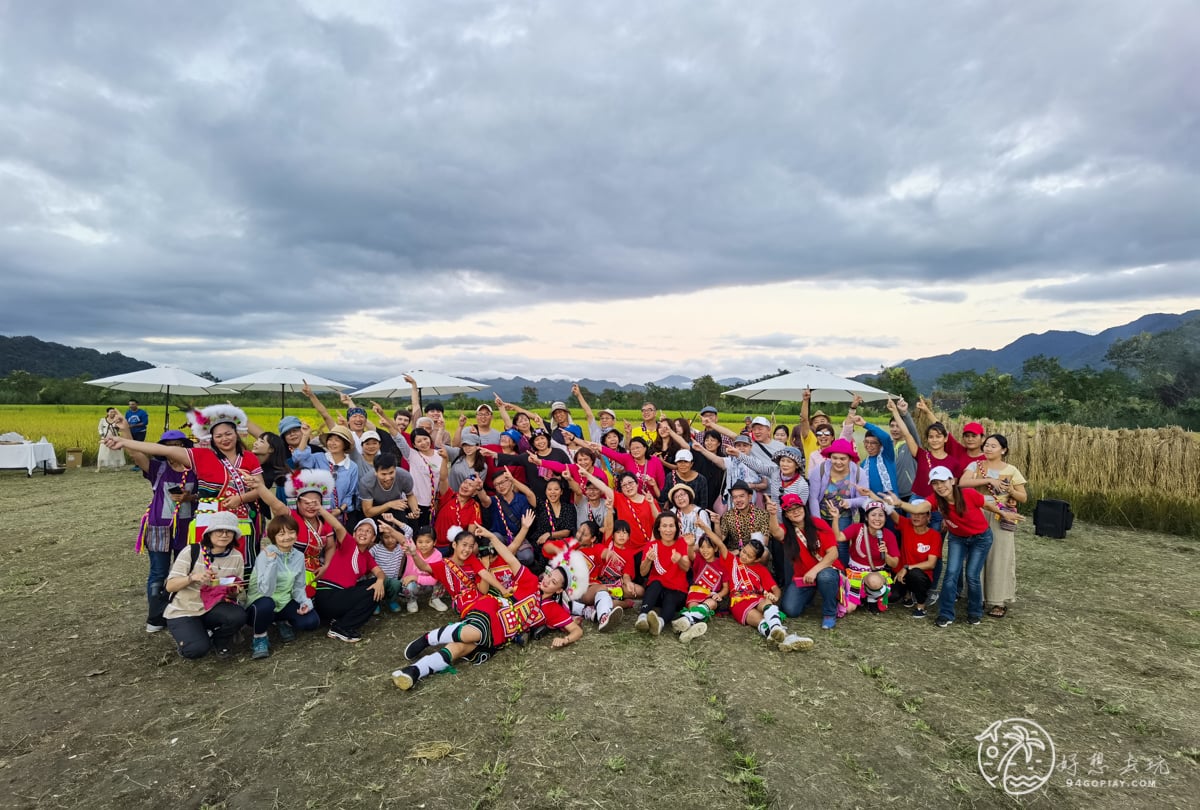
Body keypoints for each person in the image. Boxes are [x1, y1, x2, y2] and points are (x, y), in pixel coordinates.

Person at [391, 530, 585, 691]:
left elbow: (577, 631)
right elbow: (510, 557)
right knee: (473, 632)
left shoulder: (554, 610)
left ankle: (414, 671)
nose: (547, 580)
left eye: (554, 582)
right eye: (549, 575)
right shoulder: (531, 581)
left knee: (458, 648)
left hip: (502, 635)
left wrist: (565, 639)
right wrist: (491, 538)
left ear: (560, 589)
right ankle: (428, 639)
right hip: (491, 610)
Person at [103, 404, 264, 575]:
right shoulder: (201, 456)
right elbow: (164, 449)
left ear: (236, 434)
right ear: (212, 438)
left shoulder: (249, 458)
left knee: (240, 562)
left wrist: (240, 499)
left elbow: (260, 489)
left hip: (240, 518)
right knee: (207, 564)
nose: (224, 439)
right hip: (208, 519)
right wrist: (124, 440)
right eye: (218, 436)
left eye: (228, 434)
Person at [124, 426, 198, 634]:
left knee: (188, 571)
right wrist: (125, 430)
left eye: (178, 446)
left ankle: (184, 612)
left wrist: (189, 497)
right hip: (159, 527)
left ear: (185, 447)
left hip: (188, 528)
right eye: (169, 446)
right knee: (158, 572)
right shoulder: (157, 468)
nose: (173, 450)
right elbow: (135, 453)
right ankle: (156, 617)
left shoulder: (195, 470)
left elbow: (206, 494)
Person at [928, 466, 1008, 628]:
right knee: (951, 573)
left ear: (952, 481)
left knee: (972, 575)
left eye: (943, 481)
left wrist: (1005, 514)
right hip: (957, 538)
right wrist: (900, 503)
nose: (940, 486)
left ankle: (975, 612)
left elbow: (986, 505)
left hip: (981, 538)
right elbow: (920, 506)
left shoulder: (968, 494)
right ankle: (945, 613)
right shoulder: (937, 499)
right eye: (935, 483)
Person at [162, 512, 247, 659]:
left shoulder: (236, 556)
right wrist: (193, 578)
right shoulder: (192, 551)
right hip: (185, 609)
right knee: (196, 650)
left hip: (213, 607)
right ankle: (191, 638)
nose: (224, 535)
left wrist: (234, 590)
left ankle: (219, 640)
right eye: (219, 530)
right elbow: (170, 586)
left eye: (229, 532)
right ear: (210, 533)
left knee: (238, 615)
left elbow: (234, 592)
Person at [960, 434, 1028, 618]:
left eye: (993, 446)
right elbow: (962, 483)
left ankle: (998, 600)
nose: (988, 448)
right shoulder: (976, 466)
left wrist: (1011, 490)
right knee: (976, 554)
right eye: (987, 445)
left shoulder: (1012, 470)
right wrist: (988, 480)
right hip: (978, 513)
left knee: (1000, 556)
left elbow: (1023, 497)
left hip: (1001, 515)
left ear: (1003, 450)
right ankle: (977, 598)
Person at [246, 514, 320, 659]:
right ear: (274, 536)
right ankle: (259, 637)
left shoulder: (298, 556)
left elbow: (298, 586)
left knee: (311, 621)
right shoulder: (265, 555)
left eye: (291, 532)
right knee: (267, 603)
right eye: (281, 534)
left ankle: (280, 620)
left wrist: (305, 602)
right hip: (260, 603)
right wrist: (272, 562)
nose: (287, 537)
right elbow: (266, 591)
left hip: (283, 601)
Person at [726, 535, 813, 651]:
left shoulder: (761, 569)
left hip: (757, 598)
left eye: (749, 556)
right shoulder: (732, 561)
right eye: (744, 551)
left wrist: (775, 597)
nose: (744, 556)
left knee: (766, 602)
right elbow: (719, 543)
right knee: (760, 620)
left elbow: (775, 589)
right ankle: (786, 638)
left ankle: (777, 632)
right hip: (739, 601)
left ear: (756, 559)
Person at [771, 493, 842, 630]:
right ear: (786, 515)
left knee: (825, 576)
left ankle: (829, 613)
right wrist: (772, 514)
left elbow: (833, 554)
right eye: (790, 510)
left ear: (804, 508)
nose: (795, 511)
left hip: (825, 570)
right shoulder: (787, 530)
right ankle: (809, 595)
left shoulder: (818, 523)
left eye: (798, 507)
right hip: (802, 577)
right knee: (790, 609)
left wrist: (814, 571)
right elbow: (776, 532)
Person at [314, 517, 385, 642]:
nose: (363, 533)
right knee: (372, 591)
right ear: (354, 533)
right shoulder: (349, 543)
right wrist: (320, 509)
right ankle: (341, 627)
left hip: (342, 595)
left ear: (373, 538)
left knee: (375, 584)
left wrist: (380, 580)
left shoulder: (366, 555)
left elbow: (379, 572)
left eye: (368, 531)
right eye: (360, 530)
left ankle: (340, 619)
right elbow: (339, 527)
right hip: (328, 594)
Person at [877, 493, 941, 618]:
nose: (916, 517)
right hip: (901, 574)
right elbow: (889, 509)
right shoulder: (906, 524)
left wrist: (907, 567)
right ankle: (907, 593)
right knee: (893, 597)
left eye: (921, 514)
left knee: (915, 574)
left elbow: (931, 564)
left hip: (920, 575)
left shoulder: (934, 535)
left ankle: (921, 606)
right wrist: (873, 495)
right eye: (914, 513)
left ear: (929, 517)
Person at [833, 501, 900, 614]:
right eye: (873, 515)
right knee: (848, 609)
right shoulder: (857, 528)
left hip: (876, 575)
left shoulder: (889, 535)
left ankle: (872, 599)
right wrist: (835, 518)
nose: (877, 519)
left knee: (874, 581)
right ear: (867, 517)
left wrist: (886, 554)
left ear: (885, 518)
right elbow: (838, 537)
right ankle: (860, 597)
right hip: (855, 573)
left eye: (881, 515)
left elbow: (894, 563)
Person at [807, 438, 870, 554]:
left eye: (843, 459)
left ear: (850, 459)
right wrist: (817, 521)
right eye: (834, 458)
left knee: (841, 546)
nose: (838, 462)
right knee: (823, 544)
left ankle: (842, 570)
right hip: (821, 512)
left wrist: (850, 502)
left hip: (843, 515)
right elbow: (813, 497)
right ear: (829, 457)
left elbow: (864, 499)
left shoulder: (859, 473)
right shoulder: (819, 470)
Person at [289, 424, 360, 524]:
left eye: (337, 440)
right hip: (317, 514)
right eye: (330, 439)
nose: (332, 443)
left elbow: (350, 494)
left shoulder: (352, 467)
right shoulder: (318, 458)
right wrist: (305, 436)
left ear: (345, 444)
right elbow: (298, 458)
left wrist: (340, 509)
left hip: (341, 515)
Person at [634, 513, 691, 636]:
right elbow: (642, 572)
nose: (668, 530)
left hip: (677, 590)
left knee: (671, 597)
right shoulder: (652, 546)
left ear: (676, 528)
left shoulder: (681, 543)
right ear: (658, 528)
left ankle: (660, 623)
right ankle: (642, 617)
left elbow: (686, 567)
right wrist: (648, 560)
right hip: (657, 592)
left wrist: (679, 559)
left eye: (671, 526)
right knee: (655, 583)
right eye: (664, 526)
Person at [669, 534, 729, 643]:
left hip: (711, 595)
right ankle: (687, 631)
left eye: (708, 547)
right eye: (702, 547)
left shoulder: (722, 564)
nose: (705, 550)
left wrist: (719, 595)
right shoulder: (699, 559)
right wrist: (691, 545)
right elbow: (690, 554)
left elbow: (726, 588)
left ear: (715, 548)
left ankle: (684, 622)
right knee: (693, 608)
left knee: (711, 603)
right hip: (696, 592)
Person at [360, 452, 420, 526]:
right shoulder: (366, 482)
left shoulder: (405, 476)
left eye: (391, 473)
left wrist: (415, 510)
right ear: (376, 472)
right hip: (375, 507)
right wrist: (389, 505)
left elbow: (410, 495)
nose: (388, 478)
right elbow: (368, 512)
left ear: (395, 469)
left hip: (397, 504)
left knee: (410, 524)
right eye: (383, 474)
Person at [400, 527, 448, 613]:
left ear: (435, 542)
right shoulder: (411, 551)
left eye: (428, 542)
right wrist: (393, 523)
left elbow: (434, 580)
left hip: (428, 584)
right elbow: (402, 539)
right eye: (420, 542)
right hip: (412, 584)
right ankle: (411, 600)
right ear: (415, 542)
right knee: (407, 585)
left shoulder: (437, 555)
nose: (423, 545)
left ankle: (435, 598)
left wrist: (416, 577)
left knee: (442, 574)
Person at [370, 516, 410, 614]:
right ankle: (375, 603)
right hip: (378, 581)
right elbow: (367, 561)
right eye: (386, 537)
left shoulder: (400, 548)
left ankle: (391, 600)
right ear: (381, 538)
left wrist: (394, 521)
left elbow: (409, 531)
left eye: (393, 536)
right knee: (379, 582)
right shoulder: (376, 548)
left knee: (396, 584)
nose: (390, 540)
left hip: (393, 581)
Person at [718, 481, 770, 552]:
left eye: (741, 496)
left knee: (765, 554)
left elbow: (765, 541)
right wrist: (716, 523)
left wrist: (747, 552)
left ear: (749, 497)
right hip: (735, 552)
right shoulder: (727, 516)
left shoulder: (762, 514)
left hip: (755, 552)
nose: (738, 500)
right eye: (735, 497)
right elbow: (720, 539)